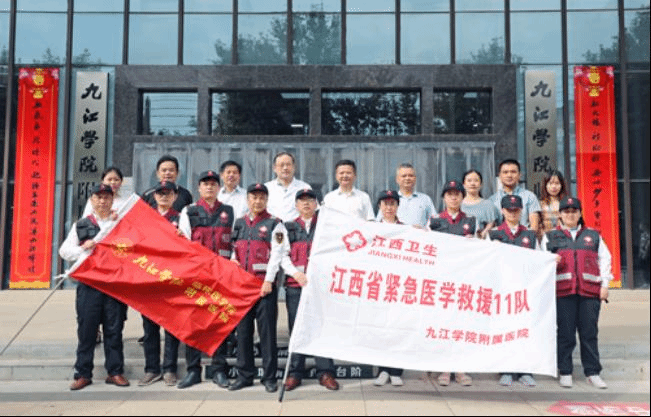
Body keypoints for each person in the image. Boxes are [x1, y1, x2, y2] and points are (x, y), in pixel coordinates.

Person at [269, 188, 340, 392]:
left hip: (320, 286)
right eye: (302, 201)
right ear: (296, 205)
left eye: (310, 200)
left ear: (316, 204)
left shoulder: (326, 227)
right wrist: (295, 274)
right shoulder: (285, 227)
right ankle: (295, 372)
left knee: (321, 326)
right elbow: (281, 255)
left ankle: (325, 372)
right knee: (297, 328)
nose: (306, 204)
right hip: (296, 285)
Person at [59, 184, 129, 391]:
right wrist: (82, 249)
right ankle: (83, 374)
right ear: (92, 200)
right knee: (87, 331)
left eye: (107, 197)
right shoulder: (81, 225)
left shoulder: (120, 224)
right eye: (98, 197)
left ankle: (115, 372)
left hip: (114, 285)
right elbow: (64, 251)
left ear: (112, 200)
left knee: (114, 331)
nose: (102, 201)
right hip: (89, 286)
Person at [541, 196, 611, 390]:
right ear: (560, 214)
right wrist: (551, 260)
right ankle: (565, 371)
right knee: (565, 334)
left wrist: (605, 285)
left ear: (580, 213)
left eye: (574, 211)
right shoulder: (551, 236)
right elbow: (541, 261)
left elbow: (605, 259)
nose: (570, 215)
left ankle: (593, 373)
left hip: (589, 292)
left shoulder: (593, 236)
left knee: (589, 333)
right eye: (566, 212)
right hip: (563, 292)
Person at [175, 170, 235, 389]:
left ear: (219, 188)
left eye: (213, 184)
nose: (209, 187)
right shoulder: (189, 211)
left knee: (219, 322)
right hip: (197, 276)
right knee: (194, 323)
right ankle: (193, 370)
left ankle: (219, 370)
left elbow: (235, 242)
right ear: (199, 188)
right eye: (205, 184)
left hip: (221, 275)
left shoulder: (229, 211)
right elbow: (184, 243)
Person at [229, 183, 283, 393]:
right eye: (254, 197)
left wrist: (269, 281)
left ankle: (269, 377)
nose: (257, 201)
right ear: (248, 200)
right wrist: (233, 259)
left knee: (267, 334)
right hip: (242, 288)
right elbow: (234, 248)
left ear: (266, 200)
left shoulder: (275, 224)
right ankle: (244, 376)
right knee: (243, 333)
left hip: (264, 288)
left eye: (261, 197)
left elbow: (277, 254)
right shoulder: (239, 222)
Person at [487, 195, 538, 387]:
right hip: (502, 291)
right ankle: (506, 370)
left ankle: (525, 371)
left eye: (516, 210)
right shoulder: (493, 234)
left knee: (524, 331)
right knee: (504, 330)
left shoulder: (530, 235)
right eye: (509, 209)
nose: (513, 213)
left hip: (524, 291)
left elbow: (539, 259)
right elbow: (485, 261)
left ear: (522, 211)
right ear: (502, 211)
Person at [429, 180, 475, 387]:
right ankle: (445, 368)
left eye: (457, 194)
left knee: (462, 324)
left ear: (463, 197)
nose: (454, 197)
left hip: (464, 280)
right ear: (444, 198)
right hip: (443, 280)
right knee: (444, 324)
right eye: (449, 194)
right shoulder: (435, 221)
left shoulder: (471, 221)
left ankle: (461, 368)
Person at [138, 181, 183, 387]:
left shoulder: (181, 219)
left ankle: (170, 369)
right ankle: (152, 369)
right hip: (149, 281)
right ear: (154, 196)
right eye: (160, 193)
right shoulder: (145, 218)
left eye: (168, 193)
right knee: (150, 328)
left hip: (172, 280)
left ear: (175, 196)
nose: (164, 197)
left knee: (172, 327)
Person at [373, 190, 405, 387]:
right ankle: (383, 370)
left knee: (398, 328)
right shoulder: (372, 228)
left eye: (393, 204)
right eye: (385, 204)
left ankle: (396, 371)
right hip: (378, 285)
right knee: (380, 329)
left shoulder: (406, 229)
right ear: (379, 206)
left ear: (397, 206)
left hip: (399, 286)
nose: (389, 207)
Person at [375, 163, 436, 227]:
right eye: (404, 176)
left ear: (415, 178)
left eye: (411, 176)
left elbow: (434, 223)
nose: (407, 178)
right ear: (397, 179)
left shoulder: (425, 199)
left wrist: (424, 229)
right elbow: (379, 225)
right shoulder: (390, 200)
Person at [489, 159, 541, 231]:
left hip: (524, 236)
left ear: (519, 175)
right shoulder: (492, 200)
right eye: (505, 172)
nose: (509, 175)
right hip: (500, 237)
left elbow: (534, 227)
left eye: (513, 172)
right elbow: (491, 227)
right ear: (499, 176)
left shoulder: (530, 196)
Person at [265, 152, 312, 222]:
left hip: (297, 227)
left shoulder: (304, 187)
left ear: (294, 167)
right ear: (274, 168)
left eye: (288, 165)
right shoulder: (266, 188)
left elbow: (313, 212)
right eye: (281, 165)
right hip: (271, 227)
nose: (285, 168)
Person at [461, 169, 500, 239]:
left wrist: (482, 234)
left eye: (476, 180)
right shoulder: (457, 205)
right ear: (464, 185)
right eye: (469, 181)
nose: (472, 183)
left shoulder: (488, 205)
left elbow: (491, 224)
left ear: (481, 185)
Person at [539, 170, 569, 237]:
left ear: (562, 185)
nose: (554, 186)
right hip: (545, 238)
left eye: (557, 183)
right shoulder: (540, 204)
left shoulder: (567, 203)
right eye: (550, 183)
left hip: (564, 238)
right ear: (545, 185)